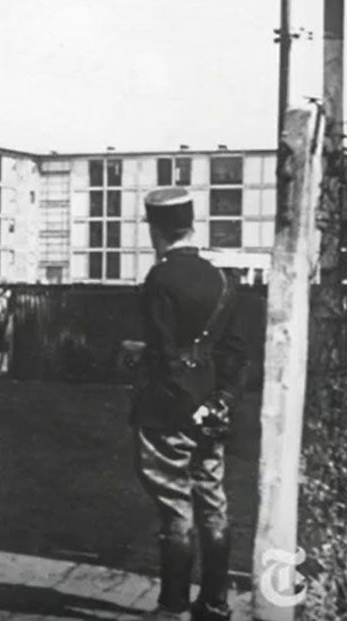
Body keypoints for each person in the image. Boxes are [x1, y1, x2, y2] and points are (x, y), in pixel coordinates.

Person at [131, 188, 246, 621]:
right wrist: (221, 400)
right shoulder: (221, 278)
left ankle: (171, 607)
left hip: (168, 410)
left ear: (155, 229)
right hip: (212, 410)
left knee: (176, 508)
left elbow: (163, 352)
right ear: (191, 225)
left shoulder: (159, 280)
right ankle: (215, 604)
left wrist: (140, 357)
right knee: (213, 502)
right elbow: (234, 352)